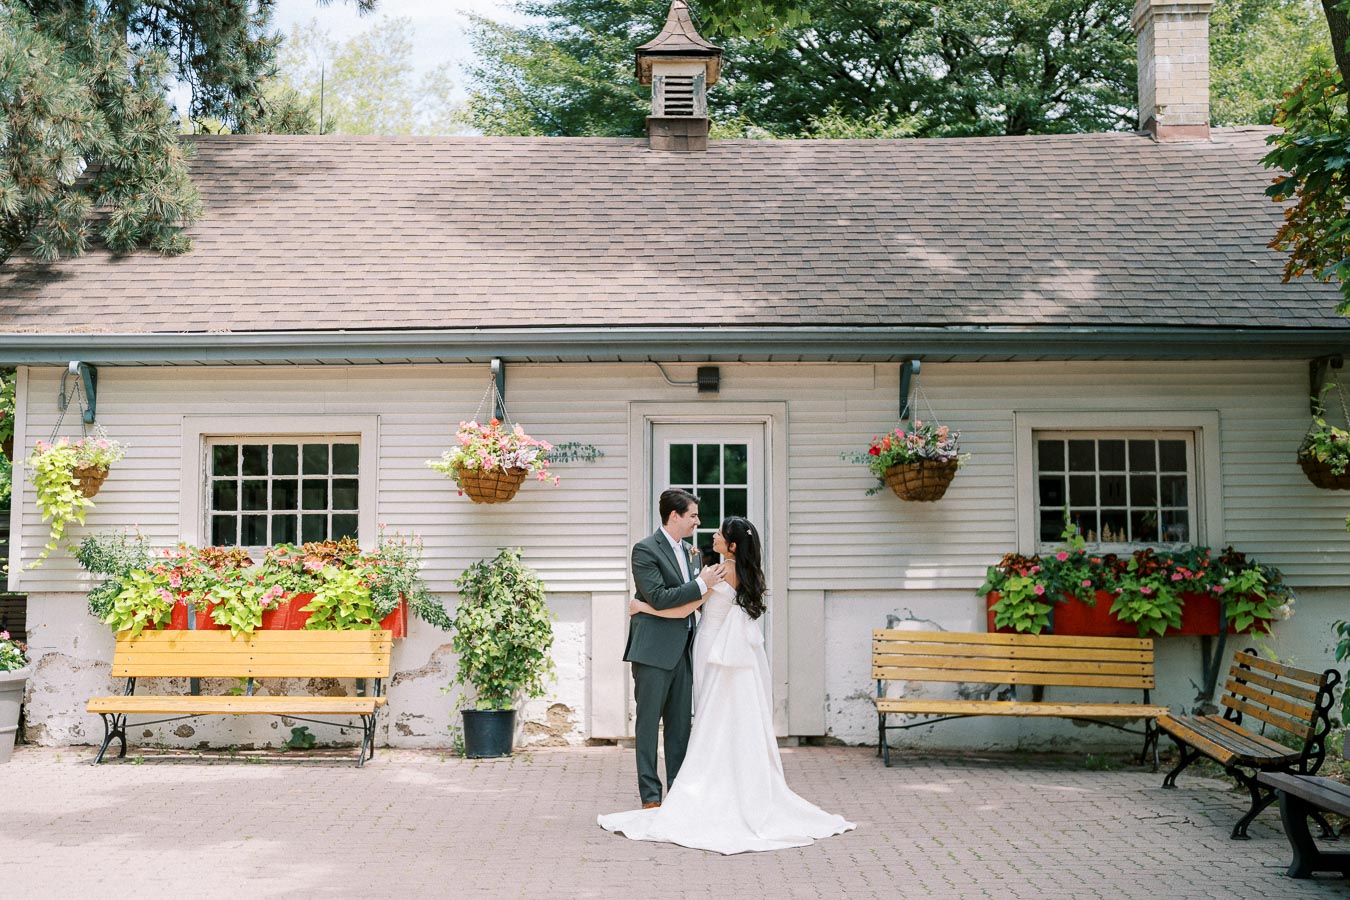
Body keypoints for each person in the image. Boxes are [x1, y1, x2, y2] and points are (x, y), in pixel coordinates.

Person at [600, 516, 856, 854]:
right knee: (728, 716)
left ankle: (710, 784)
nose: (714, 535)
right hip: (729, 651)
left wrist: (640, 606)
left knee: (710, 714)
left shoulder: (720, 572)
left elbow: (681, 610)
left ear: (732, 545)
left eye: (721, 533)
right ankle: (733, 780)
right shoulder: (746, 573)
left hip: (712, 648)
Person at [624, 489, 724, 808]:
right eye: (693, 515)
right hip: (652, 652)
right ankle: (651, 797)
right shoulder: (645, 550)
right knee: (648, 726)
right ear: (674, 516)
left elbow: (690, 602)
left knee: (680, 728)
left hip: (685, 650)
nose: (698, 521)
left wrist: (702, 587)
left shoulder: (693, 554)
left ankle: (679, 796)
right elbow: (660, 596)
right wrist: (700, 585)